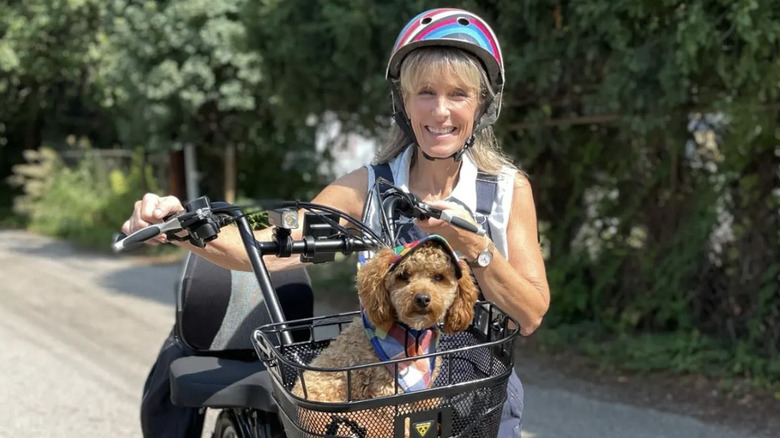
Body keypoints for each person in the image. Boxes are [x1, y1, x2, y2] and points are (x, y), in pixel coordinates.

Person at [125, 8, 549, 438]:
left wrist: (473, 245)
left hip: (475, 390)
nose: (440, 111)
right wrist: (177, 222)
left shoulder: (507, 190)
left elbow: (530, 314)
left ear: (482, 105)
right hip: (376, 383)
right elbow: (268, 238)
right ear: (403, 102)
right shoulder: (367, 186)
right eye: (425, 92)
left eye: (458, 93)